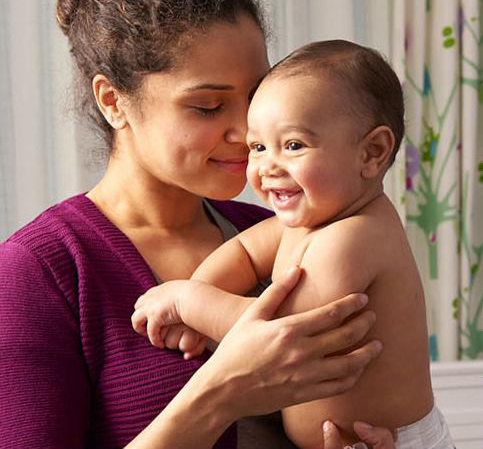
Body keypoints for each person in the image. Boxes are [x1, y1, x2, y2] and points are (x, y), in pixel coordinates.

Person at [0, 0, 395, 448]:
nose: (245, 132)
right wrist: (219, 395)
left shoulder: (281, 234)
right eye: (208, 107)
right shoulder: (42, 271)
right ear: (113, 102)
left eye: (254, 98)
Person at [132, 41, 454, 448]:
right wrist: (199, 308)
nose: (268, 166)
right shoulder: (305, 222)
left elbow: (283, 332)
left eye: (294, 145)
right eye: (258, 147)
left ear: (372, 153)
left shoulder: (356, 236)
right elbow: (243, 256)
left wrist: (188, 301)